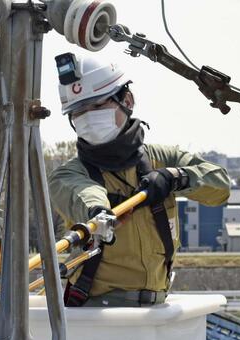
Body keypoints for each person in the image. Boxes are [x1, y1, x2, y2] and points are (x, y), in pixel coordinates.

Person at [48, 53, 230, 307]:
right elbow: (82, 192)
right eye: (79, 111)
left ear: (127, 100)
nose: (88, 117)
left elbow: (220, 185)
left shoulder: (162, 159)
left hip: (156, 309)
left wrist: (177, 177)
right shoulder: (68, 174)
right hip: (96, 312)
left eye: (98, 106)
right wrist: (100, 213)